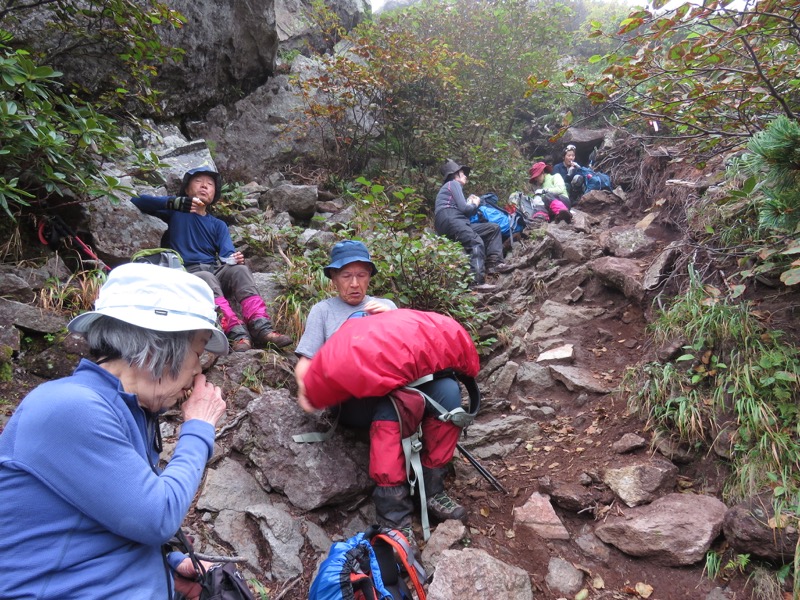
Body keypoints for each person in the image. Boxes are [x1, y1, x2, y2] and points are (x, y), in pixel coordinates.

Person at [0, 262, 228, 599]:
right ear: (159, 347)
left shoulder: (126, 410)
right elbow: (157, 517)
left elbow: (95, 524)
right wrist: (198, 429)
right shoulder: (70, 407)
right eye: (196, 351)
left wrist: (169, 564)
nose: (197, 369)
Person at [294, 240, 468, 546]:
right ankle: (394, 516)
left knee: (448, 392)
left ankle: (432, 489)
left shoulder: (385, 305)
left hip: (399, 388)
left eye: (361, 275)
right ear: (333, 278)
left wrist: (389, 315)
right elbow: (307, 361)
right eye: (346, 276)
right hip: (353, 401)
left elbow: (409, 353)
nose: (355, 283)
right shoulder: (322, 312)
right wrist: (305, 390)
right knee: (394, 404)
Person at [131, 165, 291, 352]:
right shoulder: (175, 213)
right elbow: (137, 201)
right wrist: (173, 202)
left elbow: (226, 255)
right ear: (187, 188)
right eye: (198, 182)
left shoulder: (218, 224)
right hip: (186, 272)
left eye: (209, 184)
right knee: (206, 278)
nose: (204, 186)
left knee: (240, 270)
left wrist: (235, 258)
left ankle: (261, 328)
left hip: (213, 270)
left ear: (214, 193)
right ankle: (236, 333)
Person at [434, 159, 507, 290]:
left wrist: (470, 205)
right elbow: (465, 209)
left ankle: (493, 264)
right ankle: (477, 282)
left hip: (451, 222)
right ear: (455, 175)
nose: (465, 176)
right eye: (462, 173)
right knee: (475, 242)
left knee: (493, 229)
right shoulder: (453, 184)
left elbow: (464, 212)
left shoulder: (448, 188)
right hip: (451, 220)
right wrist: (475, 203)